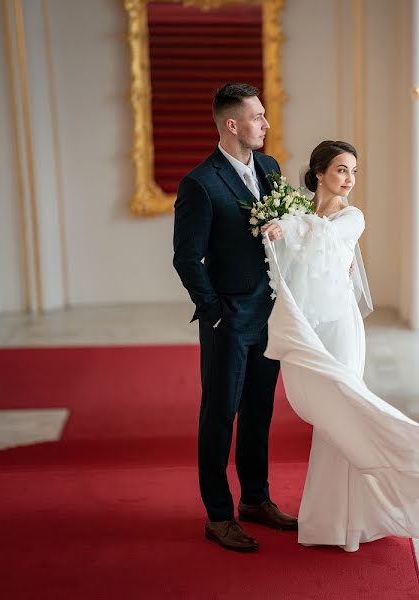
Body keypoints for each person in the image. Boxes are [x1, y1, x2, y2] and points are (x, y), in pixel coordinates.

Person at [262, 140, 419, 552]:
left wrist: (290, 225)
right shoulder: (298, 213)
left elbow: (324, 242)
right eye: (340, 170)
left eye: (354, 171)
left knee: (345, 411)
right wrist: (278, 227)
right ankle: (331, 520)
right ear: (319, 173)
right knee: (327, 418)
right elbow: (288, 258)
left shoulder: (352, 217)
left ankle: (350, 520)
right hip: (309, 325)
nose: (349, 179)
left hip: (341, 327)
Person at [173, 83, 298, 553]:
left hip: (271, 314)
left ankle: (256, 499)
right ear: (232, 124)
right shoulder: (200, 183)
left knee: (260, 411)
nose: (265, 124)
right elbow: (186, 258)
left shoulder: (270, 167)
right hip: (229, 319)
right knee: (220, 415)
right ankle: (219, 515)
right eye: (257, 117)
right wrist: (215, 312)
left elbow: (284, 232)